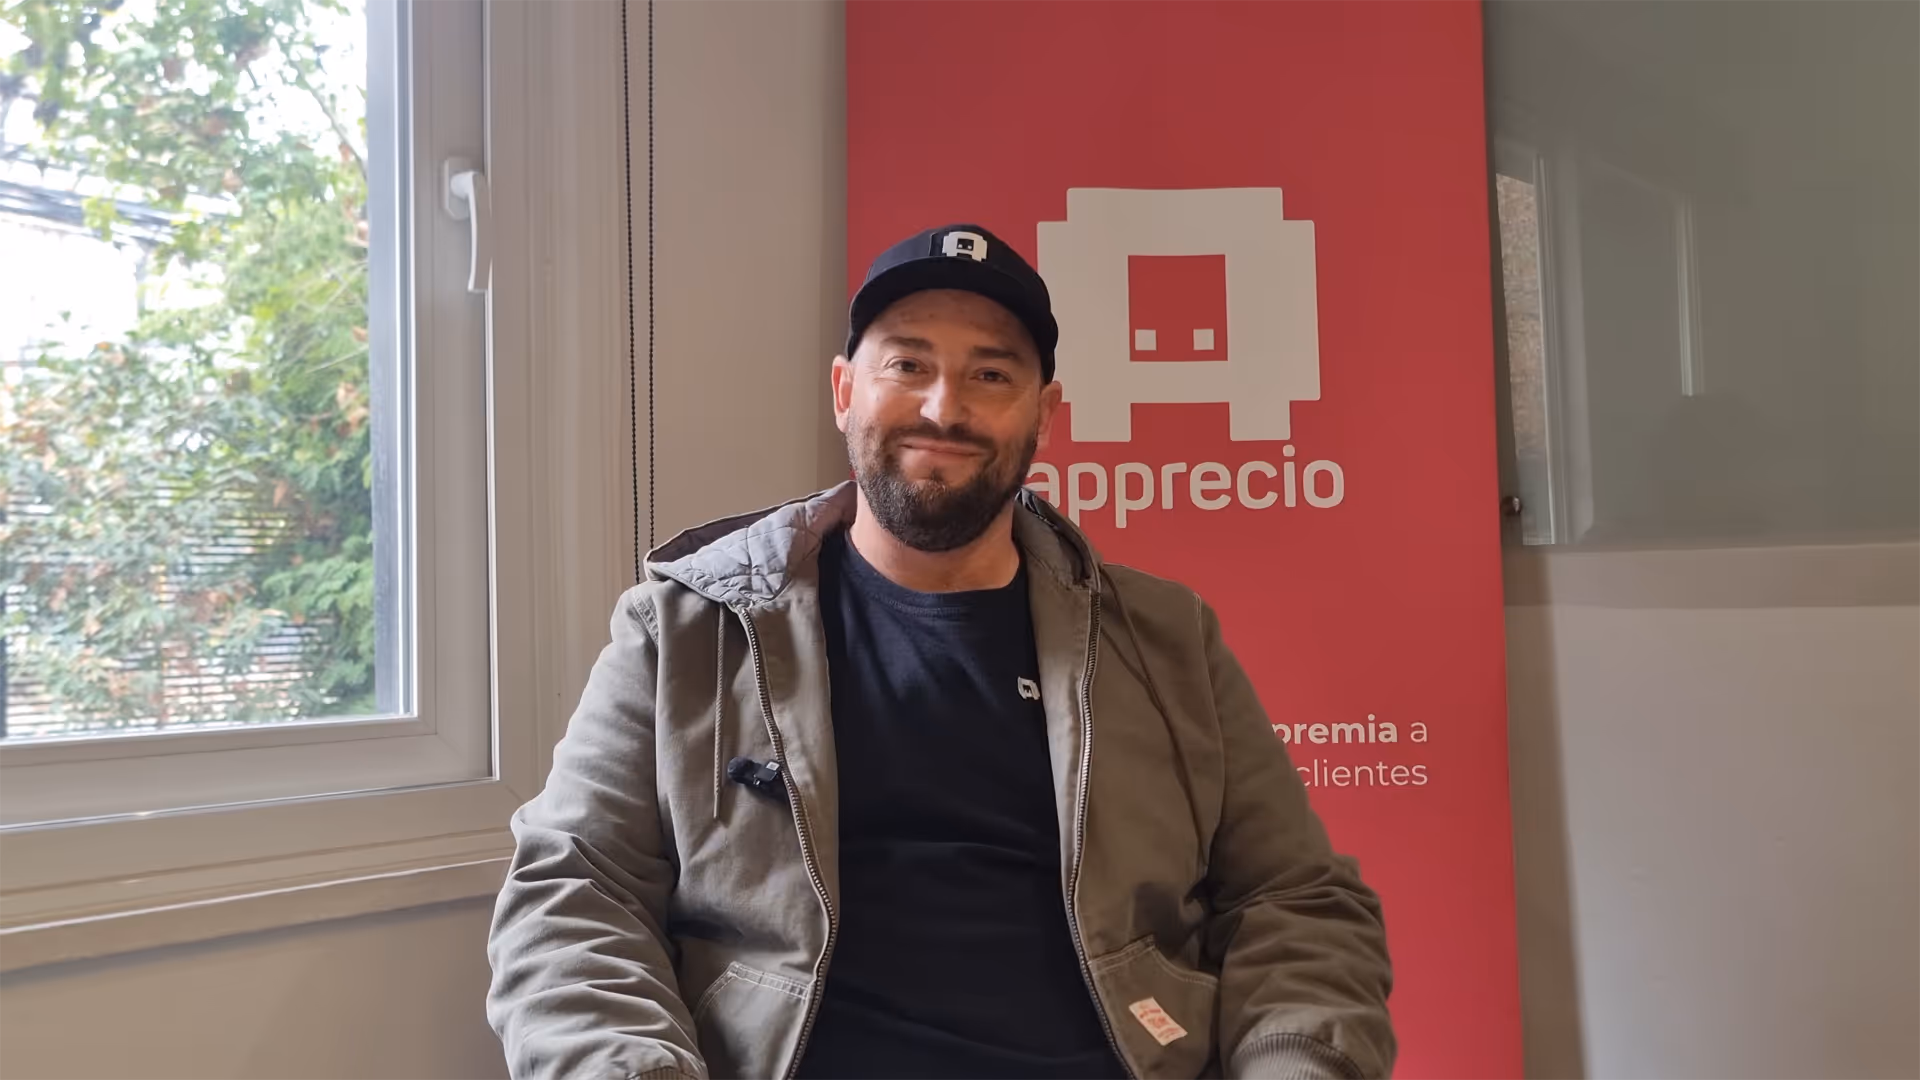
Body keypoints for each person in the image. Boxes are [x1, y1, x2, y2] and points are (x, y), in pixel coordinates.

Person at [486, 225, 1395, 1080]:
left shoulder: (1167, 640)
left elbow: (1297, 901)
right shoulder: (683, 632)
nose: (942, 407)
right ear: (845, 390)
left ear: (1043, 414)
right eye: (908, 365)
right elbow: (573, 894)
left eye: (989, 375)